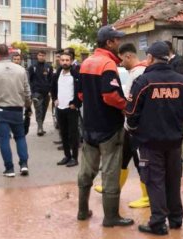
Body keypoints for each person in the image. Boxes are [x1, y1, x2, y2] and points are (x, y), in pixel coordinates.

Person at [125, 41, 183, 235]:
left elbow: (131, 112)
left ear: (150, 58)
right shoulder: (182, 81)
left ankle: (157, 223)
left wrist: (135, 129)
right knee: (173, 180)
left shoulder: (143, 82)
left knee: (155, 181)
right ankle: (176, 219)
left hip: (150, 142)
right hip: (174, 141)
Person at [76, 25, 134, 227]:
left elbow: (81, 95)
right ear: (109, 42)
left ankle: (82, 211)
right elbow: (110, 96)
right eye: (117, 39)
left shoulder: (86, 63)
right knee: (110, 172)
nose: (119, 43)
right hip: (109, 128)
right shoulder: (107, 64)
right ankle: (111, 217)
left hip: (89, 126)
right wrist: (127, 106)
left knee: (86, 171)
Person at [94, 42, 151, 208]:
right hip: (129, 125)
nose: (119, 63)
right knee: (123, 159)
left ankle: (147, 197)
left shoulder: (140, 72)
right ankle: (113, 188)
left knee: (141, 161)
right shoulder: (134, 72)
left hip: (138, 127)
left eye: (120, 60)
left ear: (128, 56)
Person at [0, 44, 32, 178]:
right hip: (17, 109)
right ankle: (24, 164)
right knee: (20, 137)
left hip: (0, 109)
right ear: (9, 54)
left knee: (4, 139)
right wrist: (27, 106)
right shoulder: (21, 70)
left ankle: (9, 168)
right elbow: (27, 92)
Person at [51, 52, 81, 167]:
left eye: (67, 60)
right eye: (62, 60)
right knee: (63, 133)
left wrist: (76, 103)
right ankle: (67, 156)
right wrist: (54, 99)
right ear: (60, 61)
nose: (64, 62)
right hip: (60, 108)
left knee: (73, 134)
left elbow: (81, 91)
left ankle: (74, 158)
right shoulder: (57, 74)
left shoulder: (76, 75)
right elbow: (53, 88)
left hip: (71, 109)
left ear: (71, 61)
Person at [28, 50, 54, 136]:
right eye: (40, 55)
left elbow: (51, 80)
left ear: (45, 56)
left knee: (44, 110)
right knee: (38, 110)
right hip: (36, 93)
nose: (41, 57)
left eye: (43, 55)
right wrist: (32, 91)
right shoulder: (32, 67)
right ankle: (39, 127)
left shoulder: (49, 67)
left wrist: (50, 90)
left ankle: (40, 125)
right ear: (37, 56)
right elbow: (29, 80)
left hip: (46, 93)